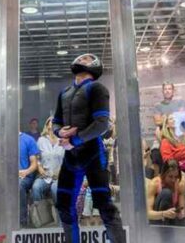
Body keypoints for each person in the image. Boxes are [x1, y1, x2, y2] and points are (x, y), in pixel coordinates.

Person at [52, 54, 125, 243]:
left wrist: (74, 140)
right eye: (81, 57)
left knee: (104, 206)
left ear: (95, 65)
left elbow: (102, 124)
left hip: (93, 154)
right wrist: (61, 133)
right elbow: (56, 123)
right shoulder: (64, 92)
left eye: (86, 58)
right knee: (64, 206)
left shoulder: (97, 88)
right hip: (71, 157)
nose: (81, 58)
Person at [145, 160, 185, 226]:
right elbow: (148, 214)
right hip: (157, 218)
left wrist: (180, 213)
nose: (173, 180)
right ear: (163, 175)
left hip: (172, 217)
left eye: (176, 177)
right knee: (166, 193)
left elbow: (182, 210)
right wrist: (163, 214)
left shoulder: (180, 183)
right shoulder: (154, 184)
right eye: (170, 177)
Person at [32, 117, 65, 203]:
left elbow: (68, 159)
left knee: (55, 189)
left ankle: (59, 215)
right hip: (45, 176)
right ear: (47, 126)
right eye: (51, 122)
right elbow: (36, 157)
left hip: (58, 177)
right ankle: (39, 213)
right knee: (36, 187)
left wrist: (61, 171)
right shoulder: (41, 140)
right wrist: (39, 167)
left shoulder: (63, 141)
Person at [19, 130, 40, 228]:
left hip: (25, 176)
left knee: (18, 186)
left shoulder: (28, 140)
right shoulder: (4, 140)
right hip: (7, 177)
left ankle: (22, 222)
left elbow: (34, 164)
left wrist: (25, 172)